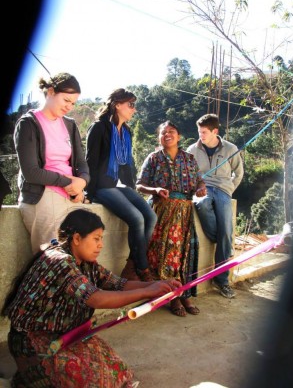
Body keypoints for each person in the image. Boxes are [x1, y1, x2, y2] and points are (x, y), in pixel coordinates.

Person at [2, 208, 181, 387]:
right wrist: (148, 291)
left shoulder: (87, 263)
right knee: (94, 383)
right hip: (33, 341)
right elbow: (96, 298)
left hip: (67, 335)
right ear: (77, 238)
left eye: (101, 239)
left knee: (119, 373)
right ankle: (26, 377)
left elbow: (119, 284)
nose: (101, 245)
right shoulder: (60, 261)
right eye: (96, 238)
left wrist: (157, 286)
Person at [136, 121, 207, 317]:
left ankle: (182, 293)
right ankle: (172, 297)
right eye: (163, 132)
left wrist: (201, 188)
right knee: (163, 255)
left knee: (182, 254)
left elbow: (199, 179)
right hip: (161, 212)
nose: (167, 135)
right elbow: (140, 185)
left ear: (179, 136)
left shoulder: (189, 159)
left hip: (184, 212)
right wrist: (155, 190)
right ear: (159, 138)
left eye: (171, 132)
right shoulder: (153, 158)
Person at [14, 72, 90, 254]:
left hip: (72, 196)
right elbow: (31, 172)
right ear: (50, 92)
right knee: (52, 261)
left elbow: (81, 162)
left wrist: (83, 182)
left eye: (73, 103)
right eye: (66, 100)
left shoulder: (70, 125)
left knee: (76, 258)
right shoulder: (28, 124)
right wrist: (69, 183)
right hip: (42, 197)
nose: (69, 107)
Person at [85, 88, 157, 282]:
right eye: (130, 105)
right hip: (101, 187)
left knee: (150, 216)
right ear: (117, 105)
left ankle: (131, 265)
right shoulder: (99, 127)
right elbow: (90, 161)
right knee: (136, 218)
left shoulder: (125, 131)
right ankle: (142, 268)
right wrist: (88, 193)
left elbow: (127, 164)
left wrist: (131, 189)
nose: (134, 109)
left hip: (119, 185)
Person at [186, 113, 244, 299]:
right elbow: (188, 173)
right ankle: (220, 241)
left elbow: (239, 172)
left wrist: (230, 190)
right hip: (202, 189)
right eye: (199, 131)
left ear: (215, 131)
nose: (200, 135)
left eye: (204, 132)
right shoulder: (192, 149)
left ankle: (222, 281)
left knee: (227, 232)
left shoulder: (230, 148)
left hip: (223, 190)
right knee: (202, 205)